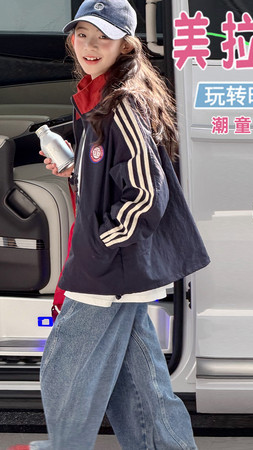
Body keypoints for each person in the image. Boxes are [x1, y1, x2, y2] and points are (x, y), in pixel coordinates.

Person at [9, 1, 209, 449]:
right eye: (82, 34)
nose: (90, 45)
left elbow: (146, 194)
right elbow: (115, 174)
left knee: (63, 367)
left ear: (126, 45)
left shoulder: (120, 104)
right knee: (140, 384)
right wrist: (76, 169)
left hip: (112, 265)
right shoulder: (100, 97)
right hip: (121, 264)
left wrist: (101, 244)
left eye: (104, 37)